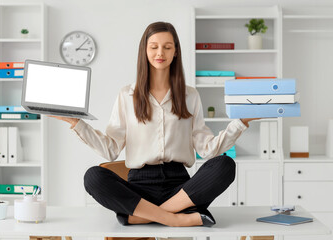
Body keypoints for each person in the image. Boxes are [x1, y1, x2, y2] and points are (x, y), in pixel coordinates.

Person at [50, 21, 258, 227]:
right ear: (145, 50)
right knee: (93, 177)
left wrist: (240, 123)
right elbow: (110, 149)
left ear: (175, 51)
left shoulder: (190, 95)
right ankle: (175, 218)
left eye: (167, 47)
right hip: (139, 189)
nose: (161, 52)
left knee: (224, 164)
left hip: (181, 190)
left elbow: (207, 149)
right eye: (154, 47)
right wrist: (77, 123)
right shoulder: (127, 95)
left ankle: (143, 216)